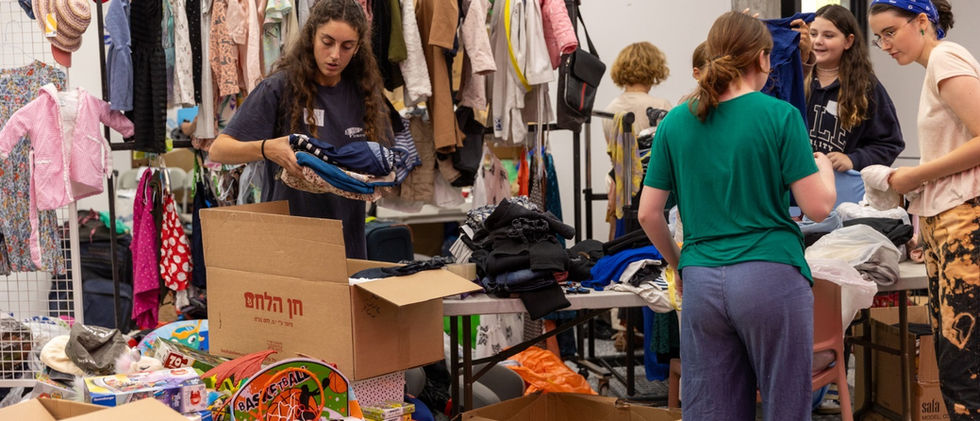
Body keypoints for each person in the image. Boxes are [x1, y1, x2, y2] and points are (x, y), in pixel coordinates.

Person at [637, 11, 836, 420]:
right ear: (764, 59)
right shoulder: (780, 116)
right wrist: (826, 172)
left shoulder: (676, 120)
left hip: (702, 280)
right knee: (786, 406)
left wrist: (680, 266)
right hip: (771, 276)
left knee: (712, 410)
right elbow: (818, 207)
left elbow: (648, 214)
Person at [209, 0, 391, 259]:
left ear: (358, 47)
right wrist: (266, 148)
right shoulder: (279, 88)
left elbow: (385, 159)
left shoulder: (365, 94)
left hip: (347, 245)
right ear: (311, 36)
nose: (335, 55)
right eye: (327, 42)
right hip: (289, 244)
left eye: (347, 46)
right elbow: (219, 150)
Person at [869, 1, 980, 418]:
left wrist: (914, 179)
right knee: (957, 364)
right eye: (879, 37)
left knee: (963, 367)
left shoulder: (946, 57)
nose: (884, 44)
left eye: (890, 32)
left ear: (921, 21)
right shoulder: (937, 66)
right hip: (948, 221)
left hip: (964, 221)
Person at [801, 5, 904, 173]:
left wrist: (853, 159)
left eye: (828, 35)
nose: (818, 41)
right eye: (813, 34)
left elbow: (890, 144)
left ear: (848, 41)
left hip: (844, 190)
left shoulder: (866, 86)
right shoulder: (796, 80)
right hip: (797, 188)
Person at [603, 41, 672, 241]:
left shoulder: (610, 109)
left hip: (620, 188)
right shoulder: (661, 106)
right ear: (654, 68)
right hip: (654, 188)